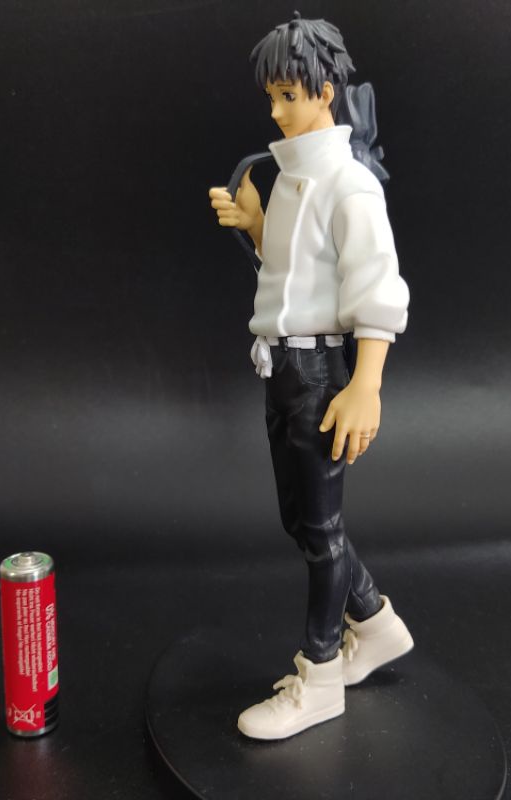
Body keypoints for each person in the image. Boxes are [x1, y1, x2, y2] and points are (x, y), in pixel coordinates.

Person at [208, 12, 413, 741]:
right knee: (301, 520)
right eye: (272, 96)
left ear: (326, 92)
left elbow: (376, 287)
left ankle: (321, 675)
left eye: (288, 95)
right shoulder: (294, 177)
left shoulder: (349, 184)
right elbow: (297, 277)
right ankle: (376, 624)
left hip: (320, 372)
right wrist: (257, 227)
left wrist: (366, 384)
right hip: (284, 367)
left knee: (322, 532)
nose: (276, 109)